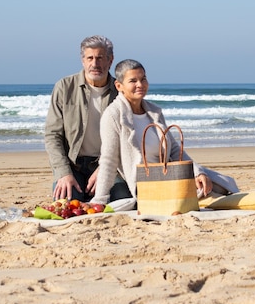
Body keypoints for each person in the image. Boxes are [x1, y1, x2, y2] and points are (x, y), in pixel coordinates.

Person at [92, 59, 236, 208]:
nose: (140, 85)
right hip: (143, 182)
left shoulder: (154, 112)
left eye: (143, 79)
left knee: (212, 183)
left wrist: (198, 173)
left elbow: (174, 150)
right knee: (194, 193)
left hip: (167, 173)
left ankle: (203, 195)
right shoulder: (113, 115)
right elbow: (109, 160)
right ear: (119, 86)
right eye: (133, 81)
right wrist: (100, 200)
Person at [44, 35, 129, 201]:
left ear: (110, 60)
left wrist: (105, 169)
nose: (95, 64)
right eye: (90, 58)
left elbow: (128, 138)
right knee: (66, 202)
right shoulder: (64, 87)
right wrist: (63, 173)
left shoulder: (121, 91)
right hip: (72, 165)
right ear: (83, 60)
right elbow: (52, 135)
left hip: (108, 164)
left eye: (100, 58)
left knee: (123, 200)